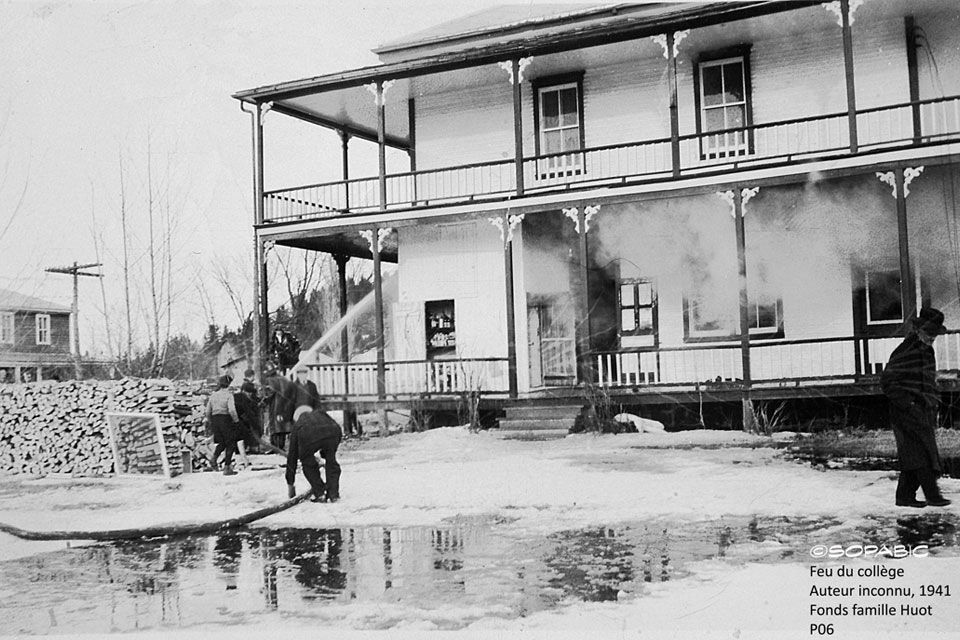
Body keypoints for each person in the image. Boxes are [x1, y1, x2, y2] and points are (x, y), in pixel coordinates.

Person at [880, 307, 952, 508]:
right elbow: (887, 381)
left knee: (915, 455)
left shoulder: (926, 350)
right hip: (906, 412)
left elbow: (926, 379)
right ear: (919, 330)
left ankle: (904, 497)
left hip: (922, 409)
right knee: (921, 454)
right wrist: (908, 403)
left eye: (934, 334)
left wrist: (931, 399)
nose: (932, 338)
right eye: (929, 333)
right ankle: (933, 495)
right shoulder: (906, 350)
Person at [285, 405, 342, 503]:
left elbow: (292, 456)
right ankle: (333, 494)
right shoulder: (321, 413)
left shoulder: (298, 424)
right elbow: (335, 427)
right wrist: (326, 453)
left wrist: (290, 482)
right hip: (333, 430)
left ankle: (320, 493)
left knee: (308, 463)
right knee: (331, 461)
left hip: (308, 434)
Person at [206, 375, 243, 475]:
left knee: (222, 442)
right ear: (229, 384)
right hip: (225, 420)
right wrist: (236, 421)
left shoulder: (213, 395)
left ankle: (213, 459)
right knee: (230, 443)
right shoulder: (229, 395)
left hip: (215, 420)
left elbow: (207, 411)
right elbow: (231, 410)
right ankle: (227, 467)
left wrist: (211, 422)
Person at [262, 365, 297, 451]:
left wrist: (262, 402)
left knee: (274, 427)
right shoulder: (284, 379)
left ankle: (274, 447)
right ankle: (281, 446)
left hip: (275, 406)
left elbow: (269, 393)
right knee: (283, 427)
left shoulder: (270, 380)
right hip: (286, 406)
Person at [235, 381, 262, 455]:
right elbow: (248, 414)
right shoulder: (241, 399)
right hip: (239, 423)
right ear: (243, 391)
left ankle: (250, 448)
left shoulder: (251, 400)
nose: (249, 394)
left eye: (251, 392)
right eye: (248, 392)